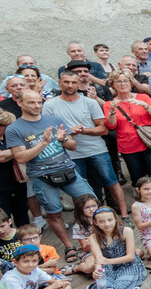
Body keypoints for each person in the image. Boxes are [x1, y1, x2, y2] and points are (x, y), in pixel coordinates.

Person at [6, 90, 97, 251]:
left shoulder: (54, 120)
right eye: (31, 102)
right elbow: (20, 157)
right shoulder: (14, 129)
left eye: (39, 102)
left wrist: (63, 139)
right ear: (19, 103)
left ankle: (98, 239)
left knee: (92, 204)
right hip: (42, 176)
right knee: (54, 213)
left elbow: (72, 145)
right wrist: (43, 143)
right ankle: (69, 246)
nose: (37, 105)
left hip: (67, 169)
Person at [44, 71, 127, 218]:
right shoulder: (50, 105)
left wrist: (82, 131)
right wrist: (70, 131)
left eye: (74, 82)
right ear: (59, 83)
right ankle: (85, 222)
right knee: (77, 190)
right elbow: (49, 132)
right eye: (66, 82)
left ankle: (125, 215)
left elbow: (103, 129)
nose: (70, 85)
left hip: (97, 150)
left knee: (112, 182)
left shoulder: (90, 102)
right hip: (70, 154)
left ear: (79, 84)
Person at [83, 206, 146, 289]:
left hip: (128, 264)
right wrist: (97, 270)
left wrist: (108, 261)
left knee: (120, 284)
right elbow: (98, 259)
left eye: (110, 220)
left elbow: (130, 256)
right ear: (95, 223)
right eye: (102, 221)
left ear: (115, 219)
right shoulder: (93, 237)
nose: (107, 224)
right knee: (104, 282)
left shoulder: (126, 231)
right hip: (107, 266)